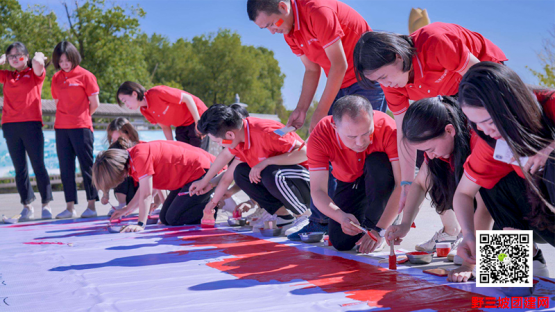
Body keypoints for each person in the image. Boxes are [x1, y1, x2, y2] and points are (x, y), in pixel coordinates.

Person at [353, 22, 507, 250]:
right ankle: (473, 247)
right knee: (441, 167)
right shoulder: (394, 84)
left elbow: (484, 80)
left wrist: (495, 129)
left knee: (496, 175)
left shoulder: (435, 42)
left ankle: (505, 260)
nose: (385, 85)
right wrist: (405, 183)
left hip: (489, 92)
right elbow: (406, 137)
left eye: (384, 76)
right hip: (453, 102)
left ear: (397, 56)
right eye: (378, 82)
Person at [247, 0, 387, 238]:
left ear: (283, 6)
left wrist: (320, 114)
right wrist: (302, 109)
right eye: (266, 28)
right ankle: (321, 219)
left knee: (361, 148)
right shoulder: (289, 32)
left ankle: (373, 225)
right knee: (326, 145)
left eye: (272, 23)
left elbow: (339, 64)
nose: (272, 31)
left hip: (366, 78)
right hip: (341, 81)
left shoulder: (317, 11)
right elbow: (312, 70)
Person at [454, 62, 555, 279]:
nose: (484, 130)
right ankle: (508, 269)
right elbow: (463, 193)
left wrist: (550, 148)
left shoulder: (551, 104)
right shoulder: (492, 141)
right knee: (493, 184)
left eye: (489, 121)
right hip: (544, 219)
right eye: (476, 123)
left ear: (512, 106)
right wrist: (469, 236)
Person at [190, 104, 310, 231]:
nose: (220, 145)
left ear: (230, 135)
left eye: (218, 141)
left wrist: (266, 162)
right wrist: (205, 184)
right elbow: (225, 165)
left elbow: (305, 153)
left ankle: (304, 217)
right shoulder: (240, 139)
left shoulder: (267, 132)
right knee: (241, 172)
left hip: (306, 181)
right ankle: (283, 217)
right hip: (285, 180)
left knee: (269, 172)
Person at [307, 95, 401, 253]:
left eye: (367, 133)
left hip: (381, 177)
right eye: (351, 136)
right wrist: (341, 216)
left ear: (372, 119)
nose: (360, 142)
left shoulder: (387, 127)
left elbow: (403, 184)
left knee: (377, 162)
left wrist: (380, 229)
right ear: (335, 127)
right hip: (350, 181)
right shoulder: (321, 135)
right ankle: (372, 214)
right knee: (341, 242)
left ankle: (385, 217)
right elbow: (317, 191)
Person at [92, 138, 218, 230]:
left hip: (202, 173)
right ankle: (207, 201)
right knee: (164, 218)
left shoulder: (139, 157)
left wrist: (141, 224)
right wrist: (127, 209)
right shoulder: (133, 157)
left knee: (173, 218)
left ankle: (212, 206)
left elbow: (146, 195)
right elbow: (146, 189)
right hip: (187, 178)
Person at [0, 42, 53, 221]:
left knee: (38, 165)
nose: (15, 59)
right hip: (10, 125)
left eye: (19, 55)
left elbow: (39, 64)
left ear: (26, 57)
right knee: (19, 169)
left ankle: (46, 205)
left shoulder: (33, 74)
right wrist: (1, 60)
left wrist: (38, 55)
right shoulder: (7, 75)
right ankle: (27, 205)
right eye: (11, 56)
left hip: (31, 124)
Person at [51, 41, 100, 219]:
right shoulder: (56, 78)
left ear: (74, 57)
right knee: (66, 168)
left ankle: (91, 206)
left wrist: (81, 116)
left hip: (81, 128)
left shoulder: (86, 75)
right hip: (61, 128)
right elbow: (58, 103)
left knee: (87, 167)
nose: (64, 64)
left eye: (67, 60)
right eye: (60, 60)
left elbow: (95, 104)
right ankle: (69, 207)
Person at [116, 81, 208, 149]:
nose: (126, 105)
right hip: (182, 125)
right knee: (183, 151)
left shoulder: (157, 93)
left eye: (125, 101)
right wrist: (172, 146)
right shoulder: (145, 111)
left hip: (198, 116)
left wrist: (198, 122)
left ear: (134, 94)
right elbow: (165, 126)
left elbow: (188, 99)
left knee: (198, 151)